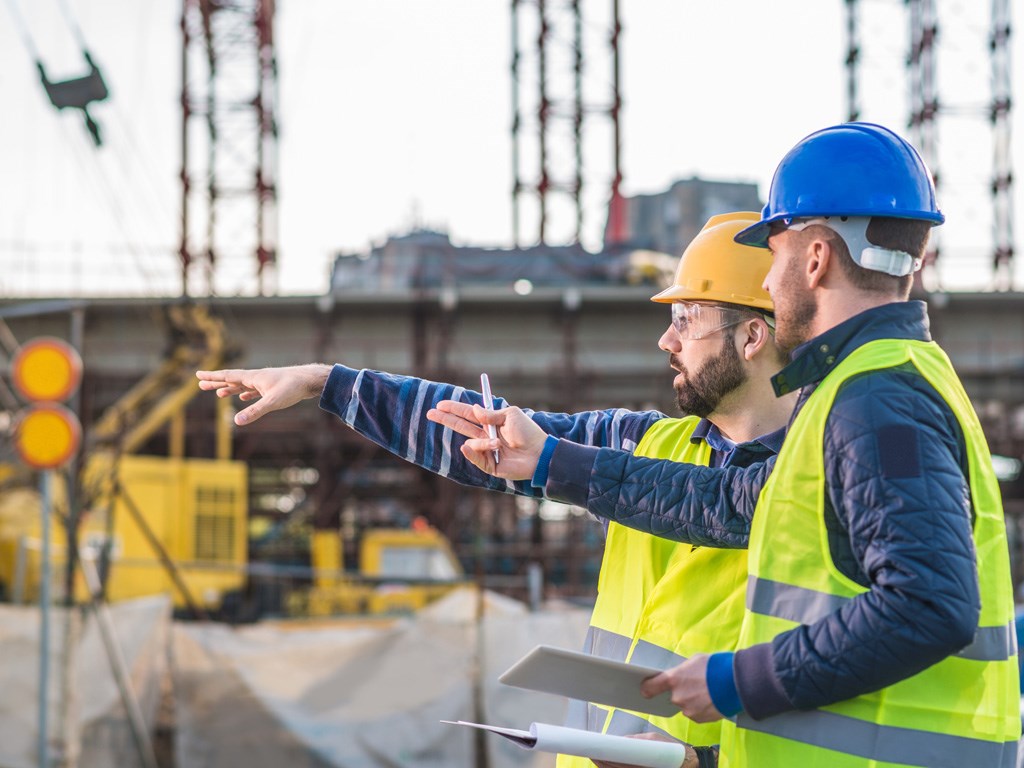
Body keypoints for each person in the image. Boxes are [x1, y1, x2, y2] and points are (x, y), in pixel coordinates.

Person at [437, 122, 1021, 768]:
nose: (769, 285)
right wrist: (551, 461)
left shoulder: (878, 399)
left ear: (817, 258)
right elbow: (730, 499)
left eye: (773, 257)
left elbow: (929, 605)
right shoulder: (864, 387)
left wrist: (732, 681)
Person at [197, 211, 795, 768]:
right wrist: (327, 383)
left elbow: (829, 696)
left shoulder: (822, 480)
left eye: (685, 321)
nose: (666, 342)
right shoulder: (645, 445)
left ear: (750, 337)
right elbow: (485, 435)